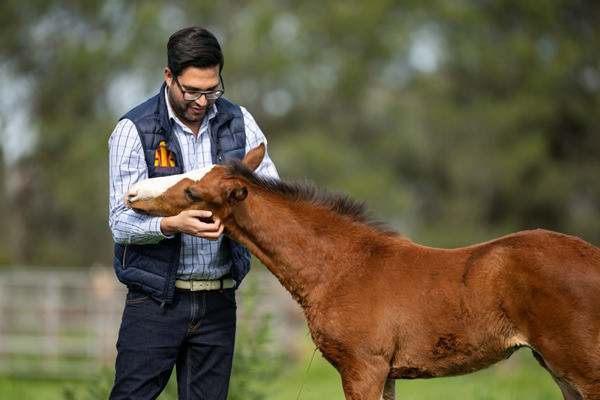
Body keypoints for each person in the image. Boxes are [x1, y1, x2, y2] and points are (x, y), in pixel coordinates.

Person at [108, 26, 278, 400]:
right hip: (154, 302)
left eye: (213, 89)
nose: (203, 101)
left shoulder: (241, 122)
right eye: (193, 91)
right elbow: (119, 223)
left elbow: (271, 194)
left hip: (218, 300)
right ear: (169, 76)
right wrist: (170, 224)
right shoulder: (133, 130)